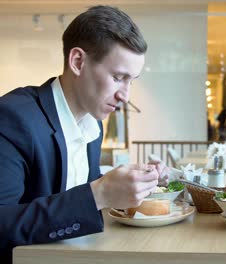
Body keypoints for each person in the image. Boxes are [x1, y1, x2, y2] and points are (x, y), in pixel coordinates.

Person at [0, 6, 168, 263]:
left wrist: (132, 184)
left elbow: (74, 189)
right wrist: (99, 193)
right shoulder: (13, 117)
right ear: (78, 61)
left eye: (131, 80)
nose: (126, 95)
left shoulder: (93, 124)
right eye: (118, 77)